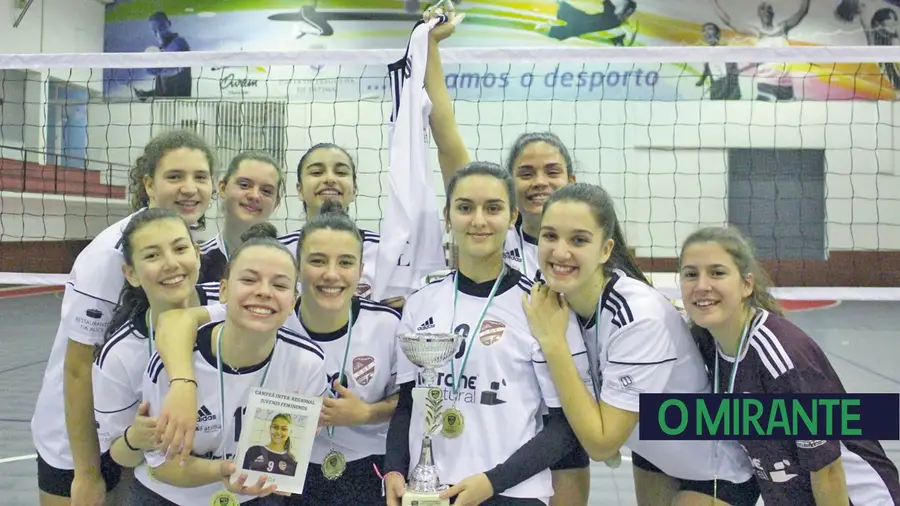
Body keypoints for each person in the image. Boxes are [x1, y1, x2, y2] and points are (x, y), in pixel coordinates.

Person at [522, 183, 760, 506]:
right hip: (653, 451)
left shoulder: (638, 318)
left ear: (606, 250)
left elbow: (603, 444)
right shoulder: (552, 298)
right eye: (550, 236)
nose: (560, 252)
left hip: (716, 472)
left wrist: (553, 344)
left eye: (578, 240)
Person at [383, 162, 589, 506]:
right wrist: (393, 469)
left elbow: (564, 427)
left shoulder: (541, 305)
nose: (478, 220)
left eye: (492, 208)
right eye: (465, 208)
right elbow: (407, 404)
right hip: (427, 491)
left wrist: (492, 482)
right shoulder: (420, 302)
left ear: (512, 217)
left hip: (510, 492)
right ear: (448, 215)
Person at [30, 130, 214, 506]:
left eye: (200, 176)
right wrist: (85, 472)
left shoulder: (195, 246)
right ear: (149, 184)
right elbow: (79, 367)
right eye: (175, 177)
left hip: (135, 430)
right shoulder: (110, 255)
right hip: (78, 437)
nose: (189, 188)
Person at [678, 226, 900, 506]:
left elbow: (829, 472)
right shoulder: (709, 345)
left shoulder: (781, 359)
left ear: (747, 284)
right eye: (690, 274)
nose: (701, 285)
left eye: (717, 272)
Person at [127, 223, 329, 505]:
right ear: (223, 291)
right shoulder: (171, 364)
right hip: (172, 497)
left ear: (293, 300)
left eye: (280, 284)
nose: (264, 292)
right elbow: (162, 466)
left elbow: (290, 453)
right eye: (249, 280)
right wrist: (221, 471)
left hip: (255, 496)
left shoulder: (308, 363)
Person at [93, 208, 221, 471]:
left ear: (197, 255)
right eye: (152, 255)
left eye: (180, 249)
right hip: (166, 489)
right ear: (131, 274)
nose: (171, 263)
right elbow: (117, 454)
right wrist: (134, 439)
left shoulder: (234, 305)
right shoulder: (119, 354)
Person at [198, 151, 286, 283]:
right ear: (222, 188)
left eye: (266, 191)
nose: (255, 196)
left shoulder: (290, 259)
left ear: (276, 203)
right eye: (244, 185)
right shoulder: (198, 259)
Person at [712, 0, 811, 101]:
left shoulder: (783, 28)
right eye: (763, 9)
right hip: (766, 84)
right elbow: (728, 21)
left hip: (786, 84)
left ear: (773, 13)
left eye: (769, 8)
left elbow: (802, 12)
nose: (766, 11)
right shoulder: (756, 32)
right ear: (759, 13)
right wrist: (712, 2)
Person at [696, 23, 744, 101]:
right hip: (716, 89)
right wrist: (702, 80)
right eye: (704, 30)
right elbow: (707, 69)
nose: (706, 32)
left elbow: (733, 71)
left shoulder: (727, 50)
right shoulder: (707, 53)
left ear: (717, 33)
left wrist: (731, 87)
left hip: (730, 90)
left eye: (710, 29)